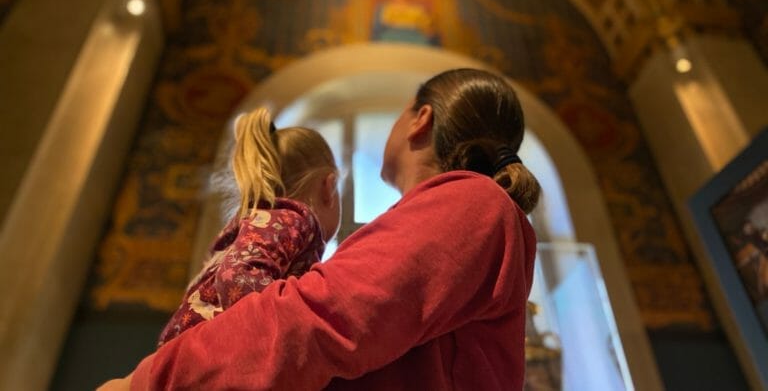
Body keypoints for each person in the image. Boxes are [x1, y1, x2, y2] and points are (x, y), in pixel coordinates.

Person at [98, 67, 540, 391]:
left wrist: (150, 379)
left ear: (420, 119)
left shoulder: (471, 203)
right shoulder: (459, 211)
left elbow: (322, 315)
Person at [157, 107, 341, 346]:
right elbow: (237, 276)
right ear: (329, 187)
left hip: (184, 345)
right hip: (210, 348)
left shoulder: (258, 223)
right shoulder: (294, 220)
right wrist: (288, 325)